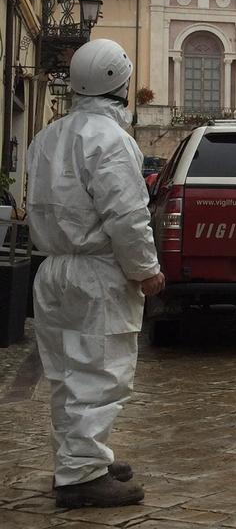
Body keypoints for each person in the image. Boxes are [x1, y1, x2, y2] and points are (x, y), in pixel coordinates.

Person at [27, 39, 165, 509]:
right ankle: (81, 476)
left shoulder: (48, 135)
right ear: (120, 86)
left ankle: (80, 458)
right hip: (96, 273)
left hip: (53, 268)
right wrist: (146, 269)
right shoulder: (111, 140)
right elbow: (125, 214)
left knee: (66, 372)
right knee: (100, 372)